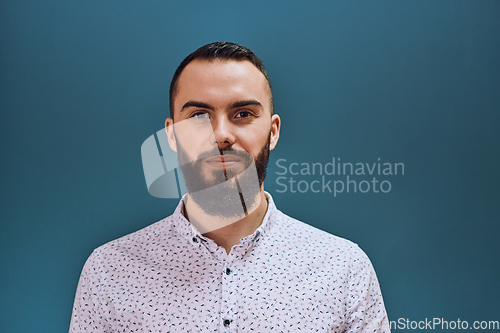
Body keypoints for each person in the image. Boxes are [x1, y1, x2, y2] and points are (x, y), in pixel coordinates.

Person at [70, 42, 390, 332]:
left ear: (273, 131)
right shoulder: (109, 271)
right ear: (172, 135)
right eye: (199, 115)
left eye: (242, 113)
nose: (221, 133)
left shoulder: (344, 268)